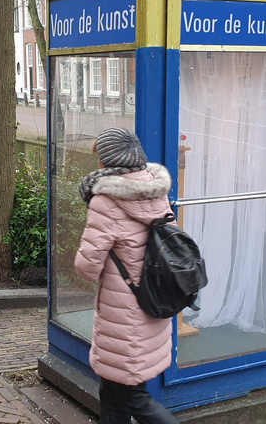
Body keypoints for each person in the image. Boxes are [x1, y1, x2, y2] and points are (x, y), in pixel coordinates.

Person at [74, 127, 180, 424]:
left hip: (124, 315)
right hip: (150, 304)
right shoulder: (156, 190)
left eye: (99, 158)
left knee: (132, 397)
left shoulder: (106, 201)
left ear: (109, 161)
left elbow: (87, 267)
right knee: (113, 393)